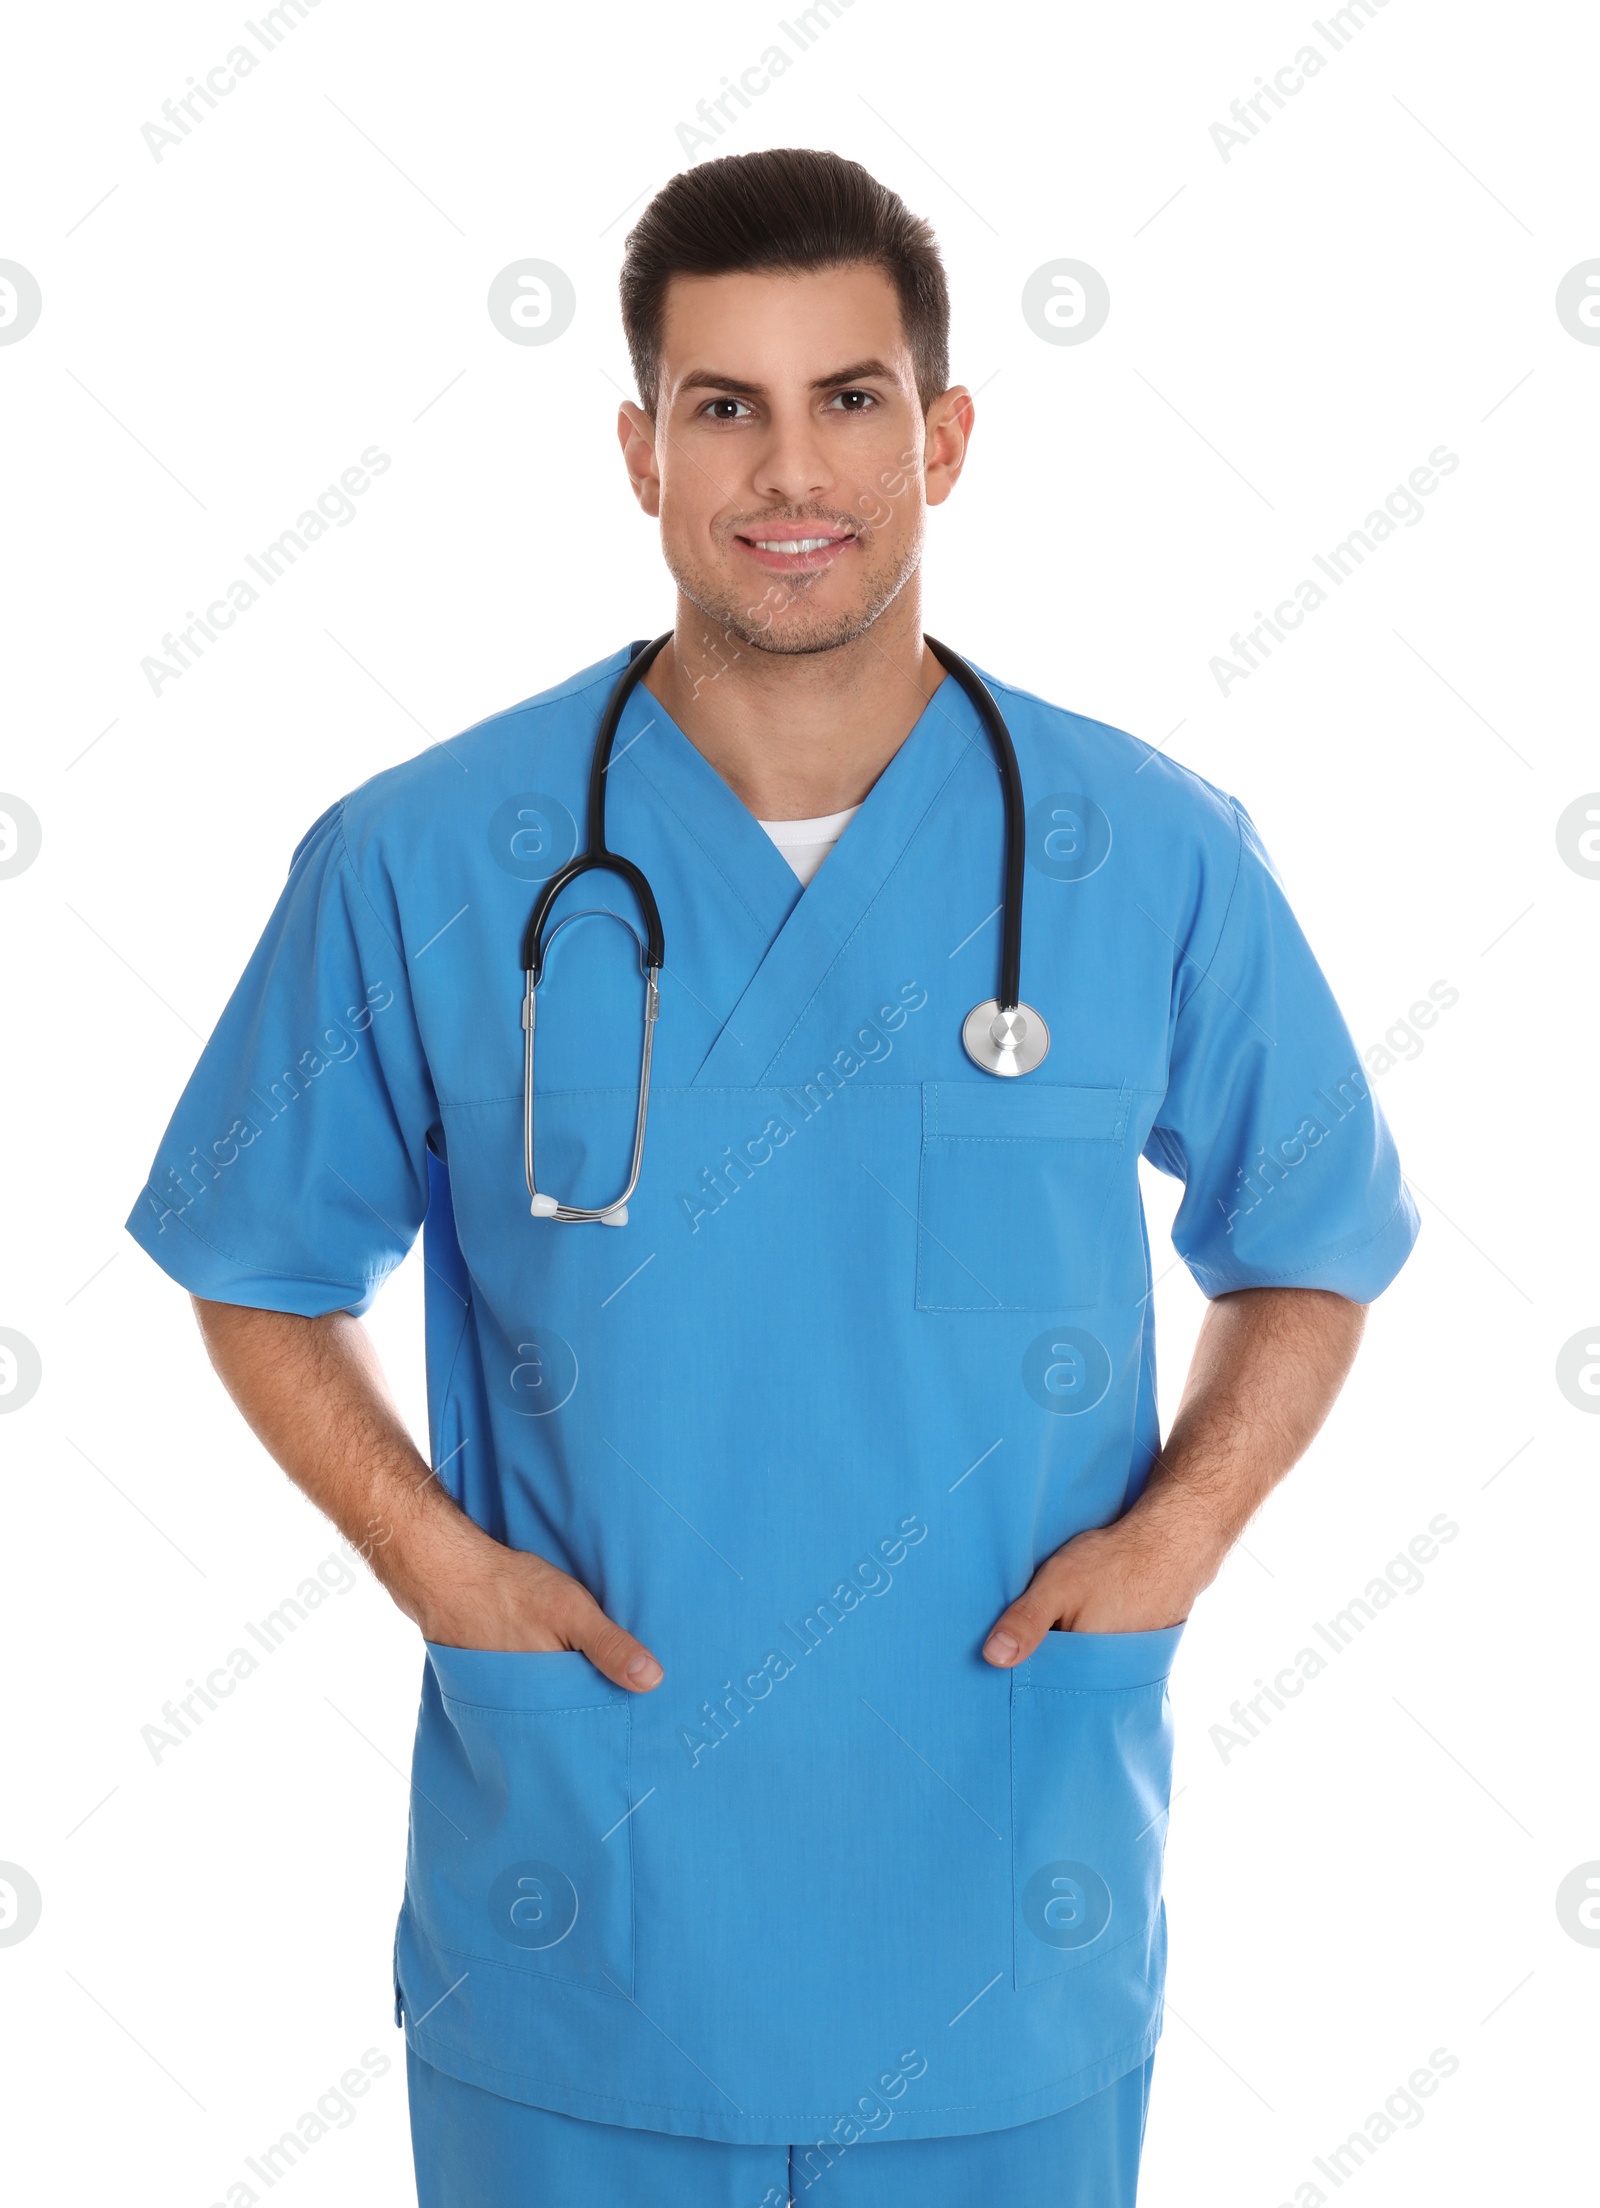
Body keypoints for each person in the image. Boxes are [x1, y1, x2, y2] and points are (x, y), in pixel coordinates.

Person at [127, 146, 1418, 2207]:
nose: (785, 468)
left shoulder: (1144, 851)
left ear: (946, 434)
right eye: (721, 406)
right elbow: (255, 1262)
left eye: (849, 397)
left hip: (999, 1898)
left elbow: (1311, 1241)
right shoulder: (424, 858)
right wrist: (433, 1566)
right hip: (583, 1909)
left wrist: (1181, 1533)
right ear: (638, 451)